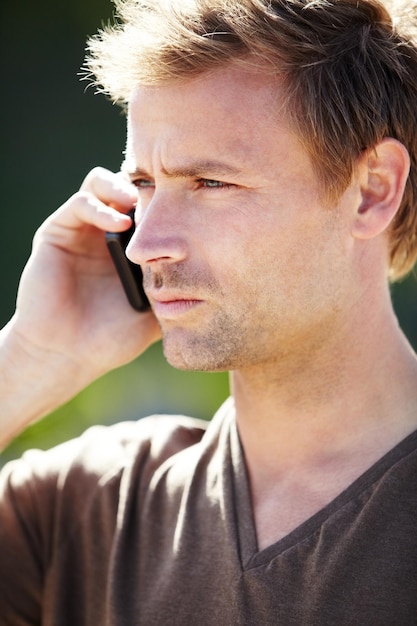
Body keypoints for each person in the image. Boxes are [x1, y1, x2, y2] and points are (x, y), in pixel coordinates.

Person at [1, 0, 417, 623]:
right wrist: (31, 359)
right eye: (143, 183)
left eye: (210, 183)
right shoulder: (84, 510)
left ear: (372, 190)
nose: (143, 244)